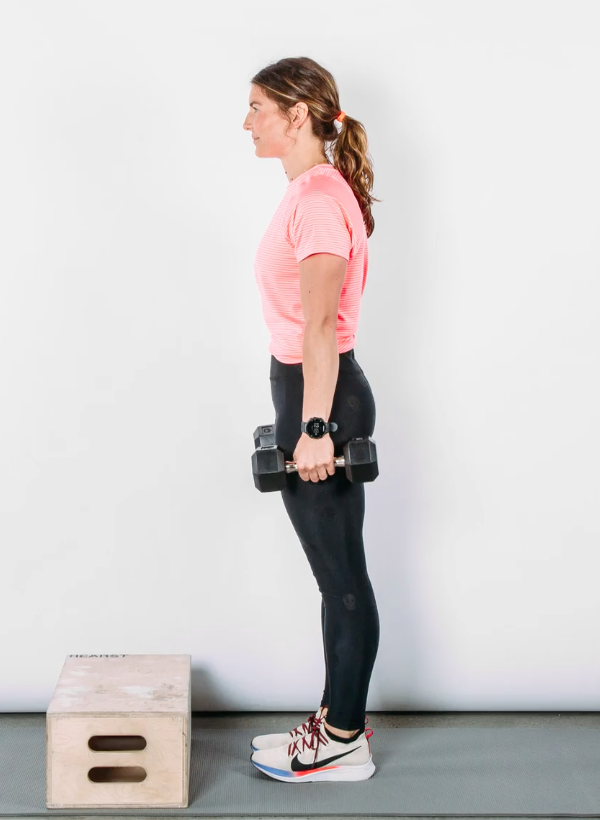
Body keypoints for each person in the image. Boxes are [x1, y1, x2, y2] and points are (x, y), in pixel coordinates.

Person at [245, 57, 382, 783]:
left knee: (343, 580)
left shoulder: (321, 201)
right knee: (336, 578)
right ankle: (333, 721)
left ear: (298, 115)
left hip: (320, 396)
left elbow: (323, 327)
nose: (247, 123)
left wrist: (317, 429)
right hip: (306, 391)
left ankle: (344, 741)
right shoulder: (310, 193)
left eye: (258, 107)